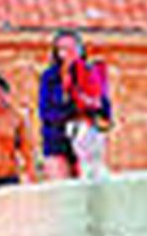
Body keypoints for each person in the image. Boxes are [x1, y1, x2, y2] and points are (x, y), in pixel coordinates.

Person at [39, 30, 112, 180]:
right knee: (62, 189)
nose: (68, 53)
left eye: (72, 48)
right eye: (63, 49)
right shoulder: (50, 78)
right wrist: (71, 109)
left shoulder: (91, 74)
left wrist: (91, 107)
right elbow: (46, 111)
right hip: (57, 140)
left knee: (88, 185)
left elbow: (104, 108)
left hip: (85, 140)